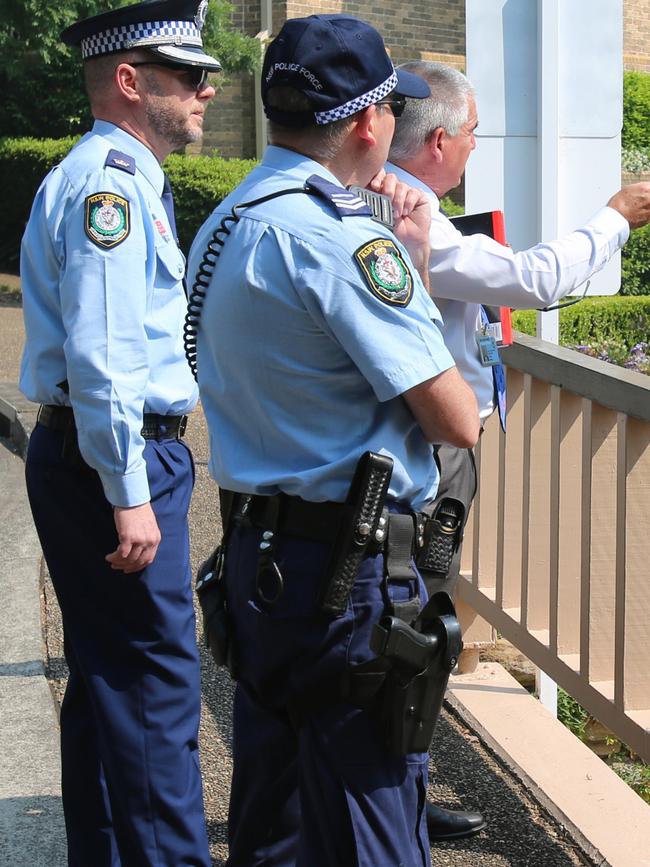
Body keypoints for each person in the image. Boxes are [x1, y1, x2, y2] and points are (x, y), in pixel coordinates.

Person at [188, 13, 480, 867]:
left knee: (274, 823)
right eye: (394, 107)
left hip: (257, 552)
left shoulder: (230, 217)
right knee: (369, 829)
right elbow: (456, 416)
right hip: (344, 582)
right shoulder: (340, 240)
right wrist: (410, 260)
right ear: (366, 123)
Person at [384, 60, 650, 840]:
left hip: (414, 439)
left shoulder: (382, 199)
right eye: (472, 135)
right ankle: (398, 803)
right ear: (438, 140)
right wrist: (617, 217)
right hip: (431, 445)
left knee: (412, 613)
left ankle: (397, 792)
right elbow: (535, 279)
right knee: (418, 618)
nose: (474, 149)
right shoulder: (415, 218)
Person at [19, 1, 221, 864]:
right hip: (118, 451)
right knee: (155, 685)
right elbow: (103, 354)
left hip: (99, 450)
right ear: (133, 83)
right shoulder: (111, 186)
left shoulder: (115, 176)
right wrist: (129, 489)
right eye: (189, 75)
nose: (207, 89)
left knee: (111, 677)